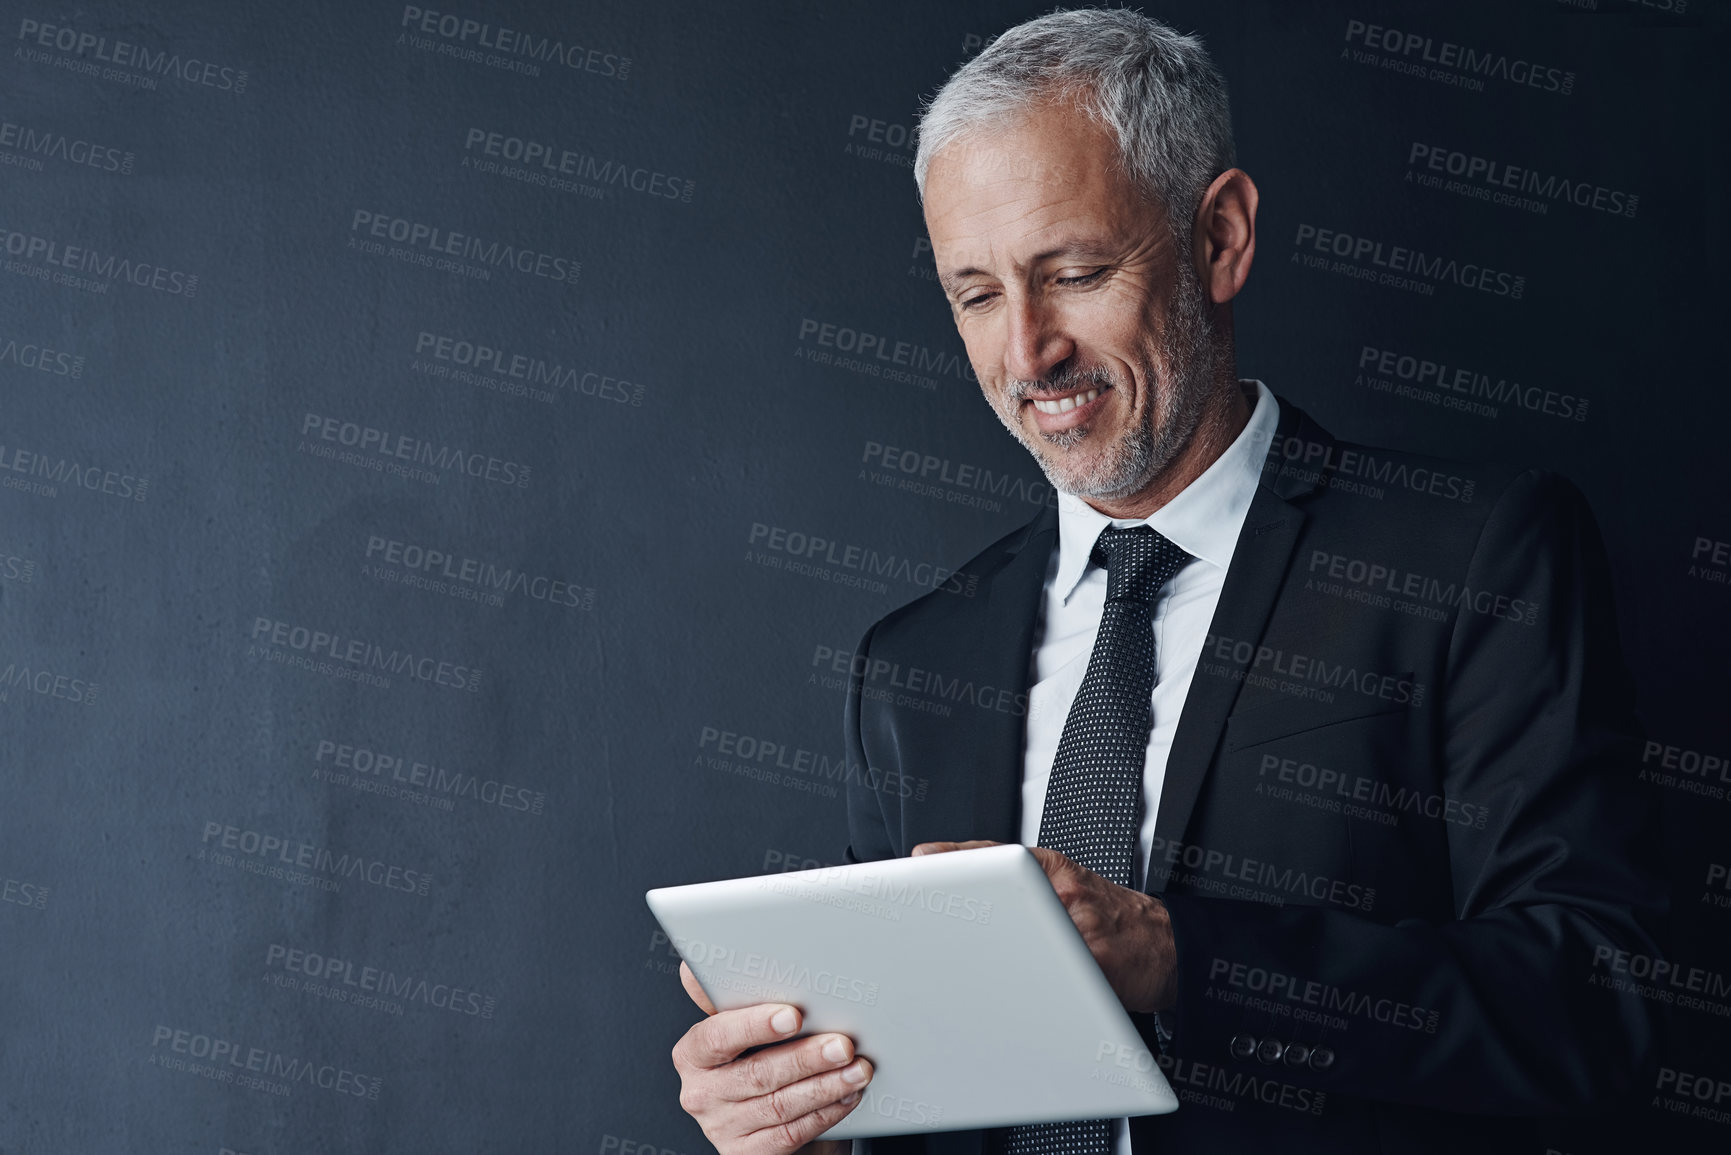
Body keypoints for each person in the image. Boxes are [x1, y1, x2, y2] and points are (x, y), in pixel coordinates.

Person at [671, 9, 1666, 1154]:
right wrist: (802, 1116)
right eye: (977, 294)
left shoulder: (1473, 558)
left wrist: (1178, 957)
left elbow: (1599, 1005)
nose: (1028, 352)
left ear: (1221, 239)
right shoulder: (916, 666)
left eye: (1077, 272)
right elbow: (910, 1088)